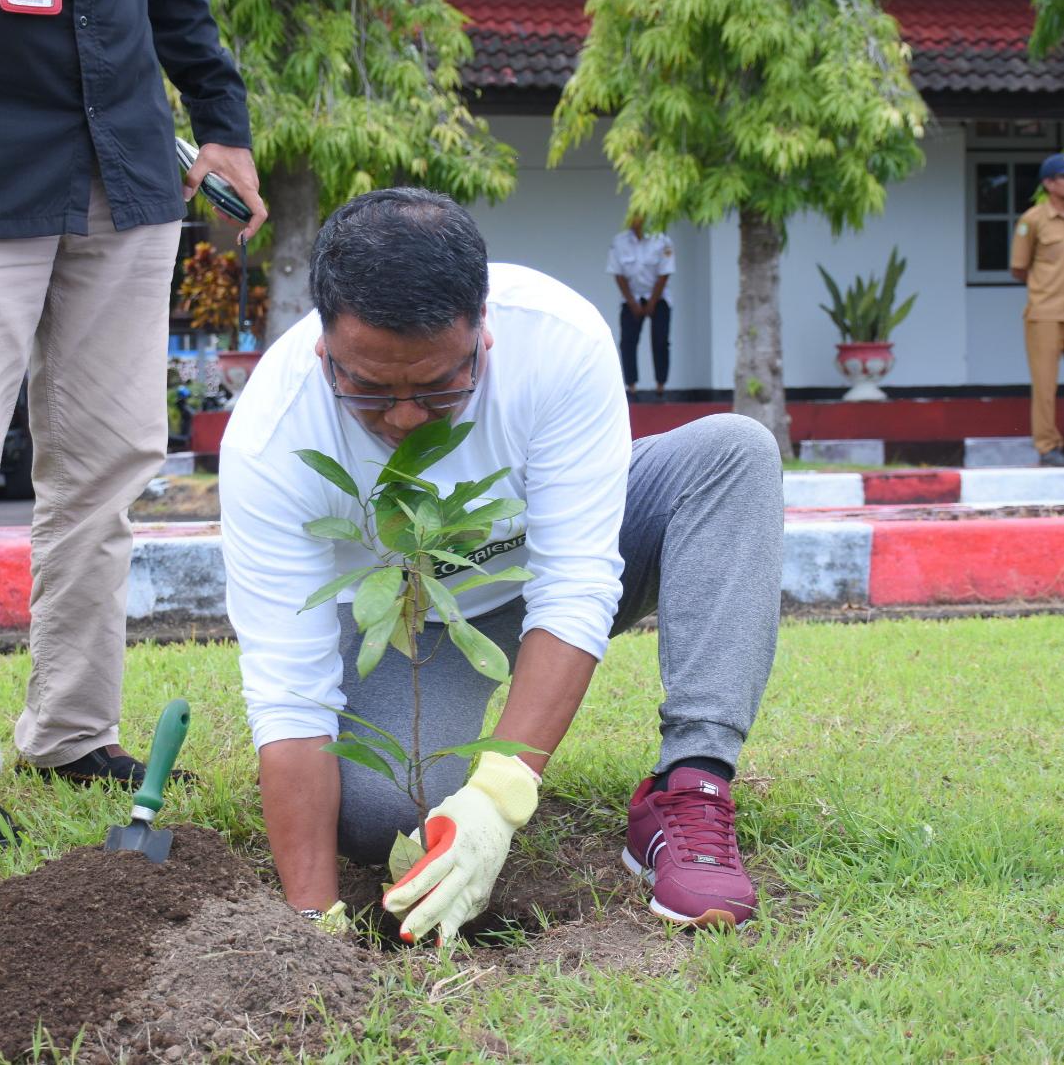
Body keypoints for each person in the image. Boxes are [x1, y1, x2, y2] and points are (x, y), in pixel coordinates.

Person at [220, 188, 783, 942]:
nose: (404, 417)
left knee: (731, 455)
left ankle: (688, 786)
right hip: (419, 618)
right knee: (381, 816)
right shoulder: (272, 437)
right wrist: (309, 920)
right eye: (368, 390)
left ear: (482, 337)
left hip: (551, 557)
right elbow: (289, 694)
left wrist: (500, 794)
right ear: (324, 350)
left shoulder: (556, 340)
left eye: (437, 385)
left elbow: (576, 581)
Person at [0, 0, 266, 844]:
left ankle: (72, 732)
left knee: (106, 476)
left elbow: (177, 9)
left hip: (125, 183)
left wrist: (222, 124)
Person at [1011, 153, 1064, 467]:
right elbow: (1019, 267)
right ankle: (1047, 447)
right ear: (1048, 183)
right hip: (1044, 313)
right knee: (1045, 385)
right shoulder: (1032, 220)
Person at [606, 215, 675, 400]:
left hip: (659, 297)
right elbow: (618, 274)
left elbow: (665, 273)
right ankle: (632, 387)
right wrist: (632, 303)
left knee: (660, 341)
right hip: (631, 297)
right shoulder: (619, 241)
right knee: (627, 341)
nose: (636, 219)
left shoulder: (662, 239)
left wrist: (652, 302)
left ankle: (661, 386)